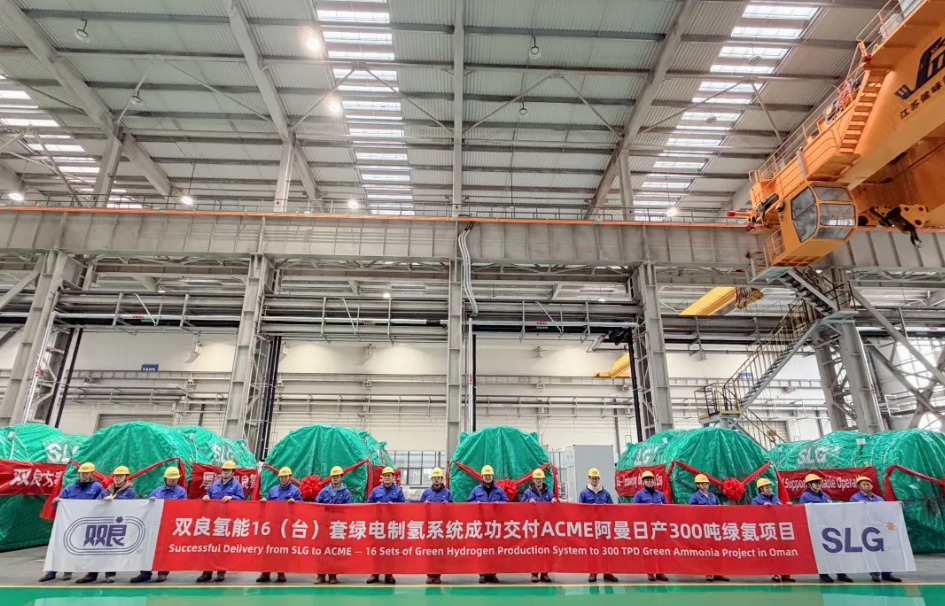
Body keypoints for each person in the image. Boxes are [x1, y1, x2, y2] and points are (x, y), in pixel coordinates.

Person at [39, 462, 107, 583]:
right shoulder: (70, 487)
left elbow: (100, 503)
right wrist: (56, 501)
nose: (83, 475)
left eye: (86, 473)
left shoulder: (97, 487)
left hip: (87, 523)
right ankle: (52, 572)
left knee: (86, 549)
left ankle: (78, 571)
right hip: (69, 523)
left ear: (91, 474)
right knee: (61, 545)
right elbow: (57, 504)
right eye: (82, 473)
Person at [132, 467, 187, 583]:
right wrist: (151, 502)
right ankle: (145, 573)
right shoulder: (157, 491)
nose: (173, 480)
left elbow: (183, 508)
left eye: (175, 478)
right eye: (171, 478)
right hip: (154, 524)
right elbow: (147, 506)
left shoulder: (181, 492)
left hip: (170, 525)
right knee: (149, 548)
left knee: (165, 549)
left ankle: (163, 572)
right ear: (165, 478)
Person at [799, 474, 852, 583]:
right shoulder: (805, 497)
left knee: (835, 551)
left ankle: (840, 573)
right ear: (809, 485)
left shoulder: (825, 496)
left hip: (829, 528)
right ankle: (823, 574)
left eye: (819, 482)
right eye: (815, 483)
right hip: (816, 528)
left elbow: (830, 508)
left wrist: (838, 505)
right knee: (821, 552)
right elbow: (803, 511)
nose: (818, 484)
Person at [196, 461, 243, 583]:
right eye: (224, 470)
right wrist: (206, 498)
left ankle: (221, 571)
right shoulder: (214, 485)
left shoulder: (237, 486)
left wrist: (233, 498)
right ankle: (207, 572)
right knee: (209, 547)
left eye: (228, 470)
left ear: (233, 472)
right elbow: (208, 496)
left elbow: (242, 501)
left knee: (222, 548)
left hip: (226, 521)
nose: (225, 472)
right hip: (213, 521)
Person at [851, 476, 902, 583]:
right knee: (871, 552)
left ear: (872, 485)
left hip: (880, 528)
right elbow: (853, 514)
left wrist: (896, 506)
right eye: (864, 484)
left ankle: (887, 574)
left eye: (868, 484)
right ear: (859, 487)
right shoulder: (855, 498)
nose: (866, 486)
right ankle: (875, 574)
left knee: (884, 551)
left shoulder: (879, 499)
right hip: (866, 529)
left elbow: (885, 511)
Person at [257, 467, 302, 584]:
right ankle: (265, 573)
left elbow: (301, 507)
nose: (283, 479)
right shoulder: (273, 490)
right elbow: (268, 504)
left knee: (282, 549)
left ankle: (281, 572)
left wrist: (295, 502)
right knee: (268, 549)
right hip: (272, 524)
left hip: (285, 525)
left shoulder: (295, 491)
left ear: (290, 477)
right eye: (281, 477)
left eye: (285, 477)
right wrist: (264, 501)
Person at [467, 465, 508, 583]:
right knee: (482, 550)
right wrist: (476, 503)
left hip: (495, 525)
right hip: (481, 524)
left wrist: (499, 504)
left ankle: (492, 574)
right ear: (482, 476)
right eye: (486, 475)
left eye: (489, 475)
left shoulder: (499, 490)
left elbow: (506, 502)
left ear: (492, 476)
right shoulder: (476, 490)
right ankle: (482, 574)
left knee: (494, 550)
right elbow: (469, 502)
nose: (488, 477)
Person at [366, 467, 405, 585]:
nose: (387, 477)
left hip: (391, 526)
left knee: (389, 550)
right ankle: (375, 573)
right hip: (378, 526)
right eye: (385, 475)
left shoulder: (398, 491)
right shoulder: (375, 491)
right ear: (382, 477)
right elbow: (368, 505)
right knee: (376, 550)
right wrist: (375, 505)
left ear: (393, 478)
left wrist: (394, 506)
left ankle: (389, 574)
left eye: (389, 475)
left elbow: (403, 507)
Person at [751, 478, 795, 583]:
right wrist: (763, 508)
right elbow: (754, 514)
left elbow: (781, 510)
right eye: (766, 487)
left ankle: (785, 573)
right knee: (772, 552)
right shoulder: (757, 500)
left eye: (770, 487)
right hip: (767, 530)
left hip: (778, 528)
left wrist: (786, 506)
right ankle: (774, 573)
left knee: (782, 551)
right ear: (761, 489)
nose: (769, 489)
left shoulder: (775, 498)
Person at [580, 468, 619, 583]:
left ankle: (607, 572)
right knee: (592, 550)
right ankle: (593, 572)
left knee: (606, 550)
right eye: (593, 478)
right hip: (591, 527)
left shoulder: (605, 493)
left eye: (596, 478)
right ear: (589, 479)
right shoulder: (583, 493)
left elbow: (611, 509)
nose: (595, 480)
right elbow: (580, 510)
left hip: (603, 527)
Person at [314, 466, 352, 585]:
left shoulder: (346, 493)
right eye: (333, 476)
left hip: (337, 526)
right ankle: (320, 575)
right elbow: (316, 505)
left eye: (337, 476)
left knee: (334, 551)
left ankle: (332, 575)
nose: (335, 478)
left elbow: (349, 509)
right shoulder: (324, 491)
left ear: (341, 477)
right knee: (322, 550)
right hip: (324, 525)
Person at [689, 474, 730, 582]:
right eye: (702, 484)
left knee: (717, 550)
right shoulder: (695, 497)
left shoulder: (713, 496)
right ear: (698, 485)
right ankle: (709, 573)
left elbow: (719, 508)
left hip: (714, 527)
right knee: (707, 550)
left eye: (706, 484)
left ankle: (719, 572)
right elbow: (692, 511)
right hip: (703, 527)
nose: (705, 486)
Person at [632, 470, 669, 583]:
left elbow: (668, 509)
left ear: (654, 481)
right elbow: (634, 510)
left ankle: (660, 572)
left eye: (651, 479)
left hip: (658, 527)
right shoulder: (639, 495)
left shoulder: (660, 495)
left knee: (660, 549)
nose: (649, 481)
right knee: (649, 550)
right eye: (647, 480)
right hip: (646, 527)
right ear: (643, 482)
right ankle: (650, 572)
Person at [522, 468, 556, 583]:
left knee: (546, 550)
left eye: (540, 479)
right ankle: (535, 573)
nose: (538, 481)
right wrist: (528, 501)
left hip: (545, 526)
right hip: (533, 526)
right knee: (535, 550)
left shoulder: (548, 492)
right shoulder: (528, 492)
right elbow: (521, 505)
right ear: (533, 480)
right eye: (536, 479)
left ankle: (544, 573)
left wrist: (554, 500)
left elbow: (555, 504)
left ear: (543, 479)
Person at [420, 467, 452, 584]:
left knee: (439, 553)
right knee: (429, 552)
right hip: (429, 528)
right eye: (434, 477)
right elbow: (419, 508)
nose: (436, 479)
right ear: (432, 479)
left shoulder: (447, 493)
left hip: (441, 528)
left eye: (438, 477)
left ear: (441, 479)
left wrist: (448, 505)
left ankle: (438, 575)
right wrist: (424, 504)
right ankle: (429, 575)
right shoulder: (426, 493)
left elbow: (453, 509)